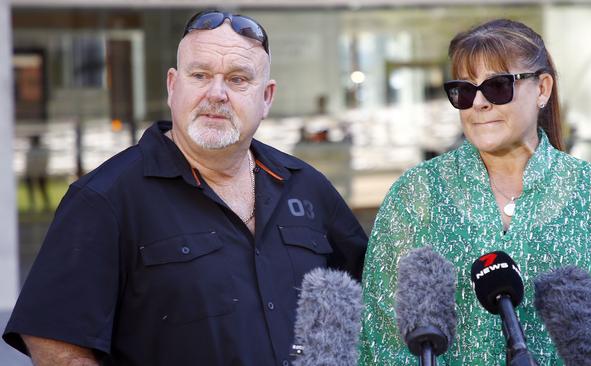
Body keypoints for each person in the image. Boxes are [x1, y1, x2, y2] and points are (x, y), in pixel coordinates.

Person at [3, 9, 367, 366]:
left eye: (238, 79)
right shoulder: (105, 199)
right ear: (173, 86)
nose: (217, 93)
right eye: (200, 75)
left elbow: (374, 301)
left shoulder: (306, 187)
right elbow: (56, 343)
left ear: (267, 97)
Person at [358, 19, 591, 365]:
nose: (478, 103)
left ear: (542, 89)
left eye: (498, 86)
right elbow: (381, 337)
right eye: (463, 91)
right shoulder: (415, 194)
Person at [23, 134, 51, 212]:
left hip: (39, 173)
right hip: (37, 173)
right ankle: (34, 205)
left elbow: (31, 164)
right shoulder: (34, 151)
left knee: (42, 190)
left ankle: (44, 205)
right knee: (36, 191)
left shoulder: (35, 151)